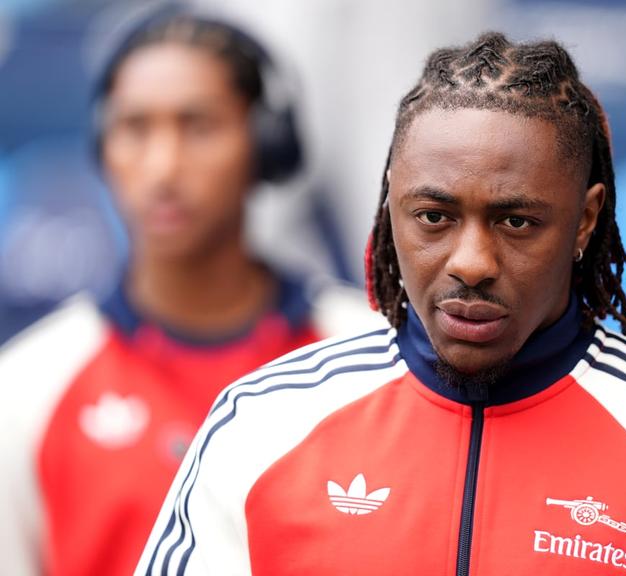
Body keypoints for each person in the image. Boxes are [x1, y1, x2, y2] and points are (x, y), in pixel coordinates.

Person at [138, 32, 626, 575]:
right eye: (434, 217)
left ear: (586, 220)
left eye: (517, 221)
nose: (471, 262)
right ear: (392, 206)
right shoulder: (261, 426)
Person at [0, 8, 379, 576]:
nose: (163, 167)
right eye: (135, 128)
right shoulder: (28, 387)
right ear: (103, 148)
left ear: (266, 145)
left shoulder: (371, 357)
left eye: (198, 127)